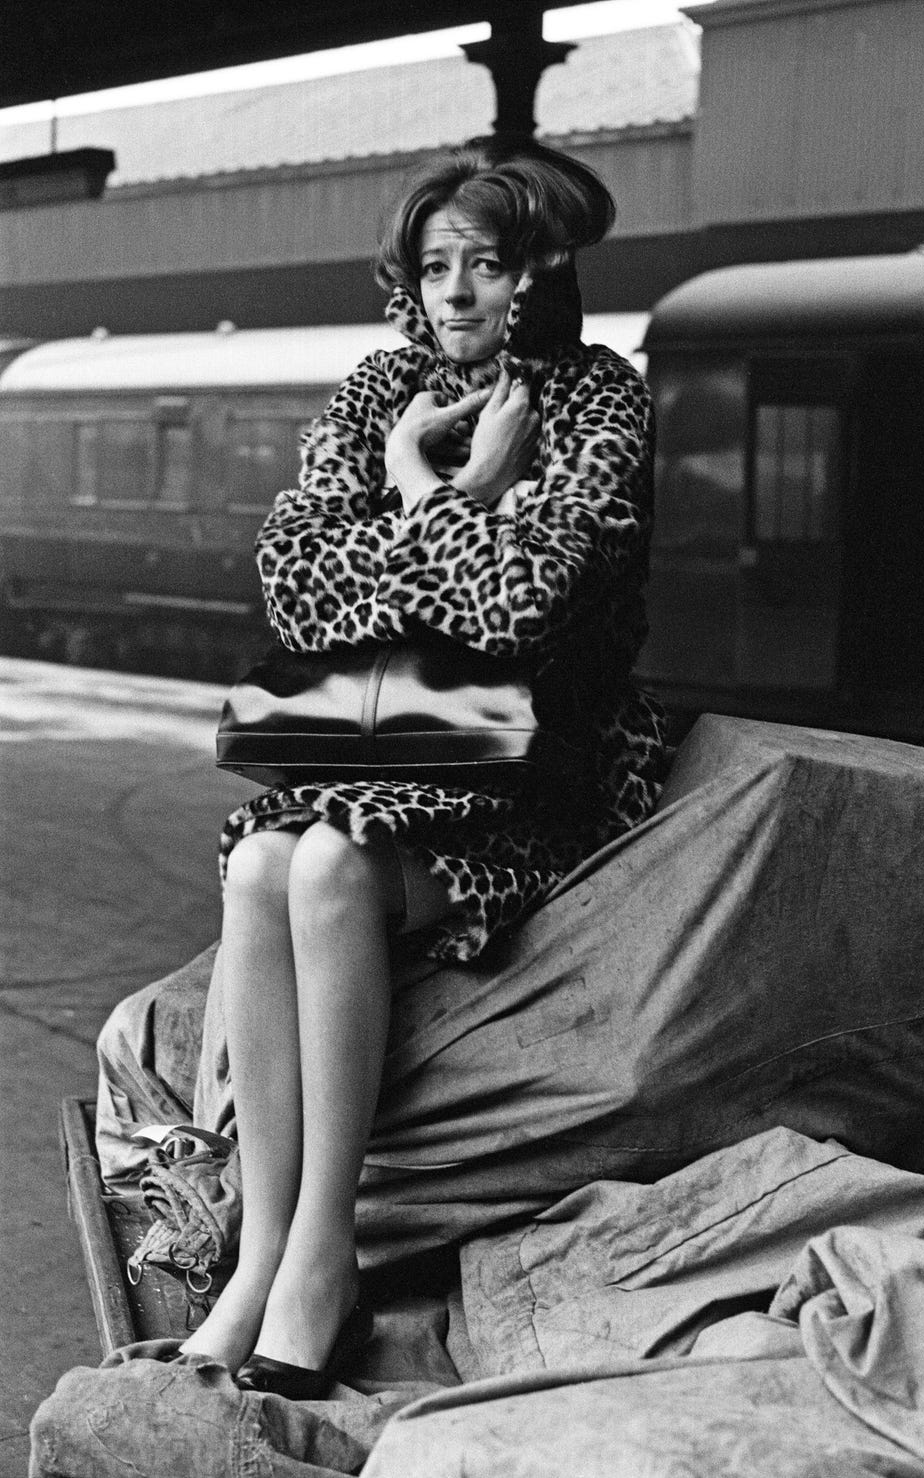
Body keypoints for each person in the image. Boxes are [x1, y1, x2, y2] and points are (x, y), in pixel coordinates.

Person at [177, 135, 666, 1396]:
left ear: (537, 271)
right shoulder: (375, 391)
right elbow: (296, 585)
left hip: (530, 766)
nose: (454, 292)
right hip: (390, 747)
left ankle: (322, 1251)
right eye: (434, 266)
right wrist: (429, 489)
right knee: (257, 865)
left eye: (485, 265)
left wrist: (429, 518)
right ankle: (265, 1249)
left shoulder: (601, 401)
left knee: (331, 859)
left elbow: (521, 612)